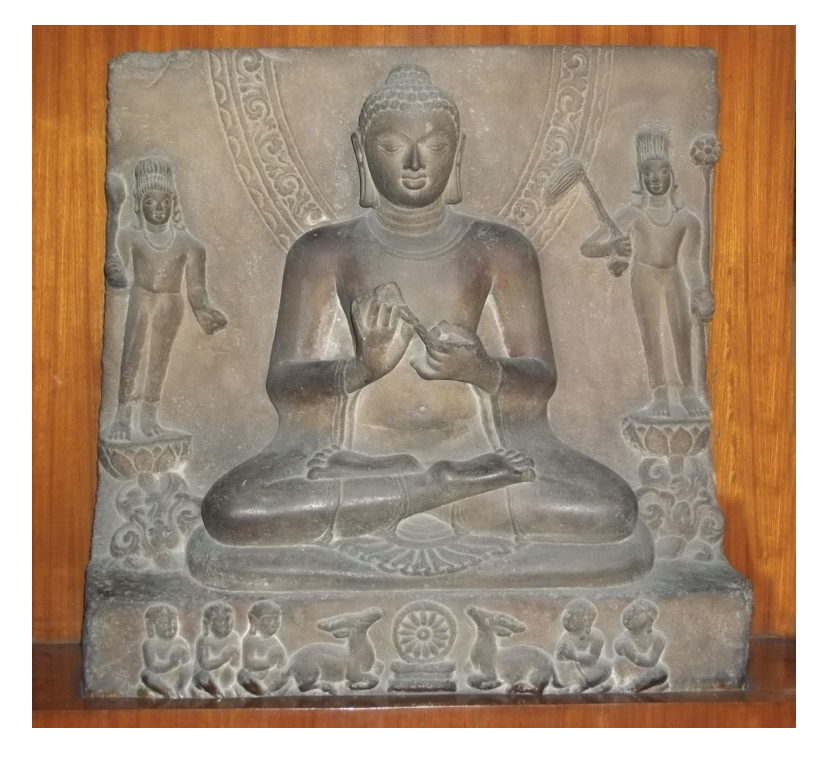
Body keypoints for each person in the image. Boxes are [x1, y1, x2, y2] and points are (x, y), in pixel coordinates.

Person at [202, 64, 639, 550]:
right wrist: (361, 368)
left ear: (458, 154)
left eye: (435, 146)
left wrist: (482, 369)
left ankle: (408, 496)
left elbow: (539, 380)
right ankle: (444, 491)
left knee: (611, 507)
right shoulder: (321, 252)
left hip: (479, 446)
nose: (413, 163)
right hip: (355, 454)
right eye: (391, 147)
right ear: (361, 154)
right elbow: (284, 385)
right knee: (231, 510)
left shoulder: (502, 249)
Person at [580, 128, 713, 418]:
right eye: (648, 173)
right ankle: (660, 394)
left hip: (673, 275)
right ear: (641, 178)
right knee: (652, 334)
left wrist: (701, 290)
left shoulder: (687, 220)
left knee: (681, 330)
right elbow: (587, 247)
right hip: (644, 277)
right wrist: (613, 246)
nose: (655, 178)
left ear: (671, 175)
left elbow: (691, 263)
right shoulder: (634, 215)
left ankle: (688, 392)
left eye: (661, 171)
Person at [106, 157, 227, 440]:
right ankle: (123, 416)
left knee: (159, 358)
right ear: (139, 205)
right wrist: (115, 274)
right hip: (141, 300)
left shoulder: (190, 245)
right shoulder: (129, 237)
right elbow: (121, 276)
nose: (159, 208)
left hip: (171, 304)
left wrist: (205, 309)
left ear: (174, 204)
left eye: (165, 202)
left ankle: (149, 416)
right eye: (151, 201)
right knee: (132, 354)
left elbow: (196, 288)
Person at [554, 599, 612, 692]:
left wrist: (576, 655)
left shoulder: (595, 635)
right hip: (568, 672)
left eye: (576, 615)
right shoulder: (564, 636)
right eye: (568, 612)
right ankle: (569, 685)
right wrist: (560, 656)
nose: (569, 617)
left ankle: (580, 685)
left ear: (587, 622)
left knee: (606, 665)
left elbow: (593, 659)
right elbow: (559, 660)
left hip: (588, 669)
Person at [613, 599, 669, 692]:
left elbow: (651, 663)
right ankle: (628, 688)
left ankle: (632, 688)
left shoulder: (658, 638)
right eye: (630, 615)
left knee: (661, 671)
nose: (630, 617)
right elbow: (627, 662)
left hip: (648, 674)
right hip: (625, 674)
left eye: (636, 614)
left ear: (650, 620)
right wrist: (630, 654)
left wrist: (635, 656)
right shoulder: (622, 641)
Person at [138, 604, 191, 698]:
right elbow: (152, 667)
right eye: (164, 623)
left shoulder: (180, 641)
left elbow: (186, 662)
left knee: (190, 665)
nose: (170, 627)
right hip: (159, 677)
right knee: (146, 674)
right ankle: (167, 692)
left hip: (176, 677)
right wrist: (170, 663)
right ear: (151, 625)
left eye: (174, 623)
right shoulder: (150, 643)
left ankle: (180, 688)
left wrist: (184, 656)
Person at [237, 602, 288, 696]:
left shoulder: (274, 641)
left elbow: (284, 664)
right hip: (255, 677)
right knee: (243, 674)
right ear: (254, 621)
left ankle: (274, 692)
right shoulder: (249, 639)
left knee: (288, 675)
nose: (274, 624)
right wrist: (268, 662)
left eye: (278, 620)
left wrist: (281, 664)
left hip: (271, 678)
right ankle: (263, 693)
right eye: (268, 620)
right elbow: (248, 663)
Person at [193, 603, 241, 698]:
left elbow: (236, 664)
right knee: (204, 676)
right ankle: (217, 694)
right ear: (208, 623)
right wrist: (223, 658)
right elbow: (205, 665)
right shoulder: (204, 640)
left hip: (224, 676)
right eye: (220, 621)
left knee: (232, 673)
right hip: (204, 676)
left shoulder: (234, 637)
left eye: (229, 621)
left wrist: (234, 658)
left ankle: (226, 690)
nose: (225, 625)